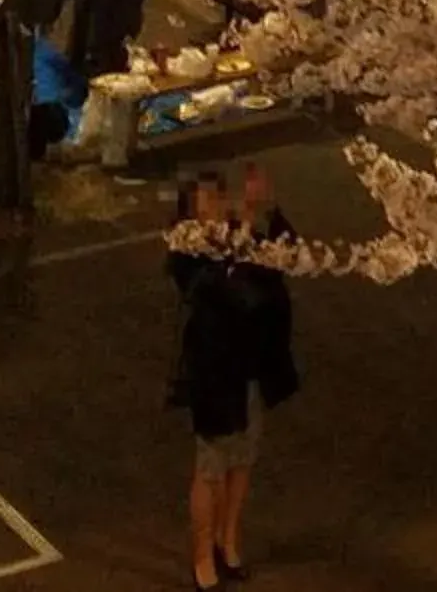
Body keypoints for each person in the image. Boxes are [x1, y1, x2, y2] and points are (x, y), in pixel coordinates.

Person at [168, 167, 298, 589]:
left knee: (242, 460)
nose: (216, 207)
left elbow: (283, 257)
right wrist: (242, 228)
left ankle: (229, 539)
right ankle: (202, 554)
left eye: (217, 197)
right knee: (211, 466)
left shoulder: (240, 240)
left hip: (250, 369)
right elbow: (221, 290)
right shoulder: (188, 254)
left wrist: (269, 211)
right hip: (214, 374)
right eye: (204, 202)